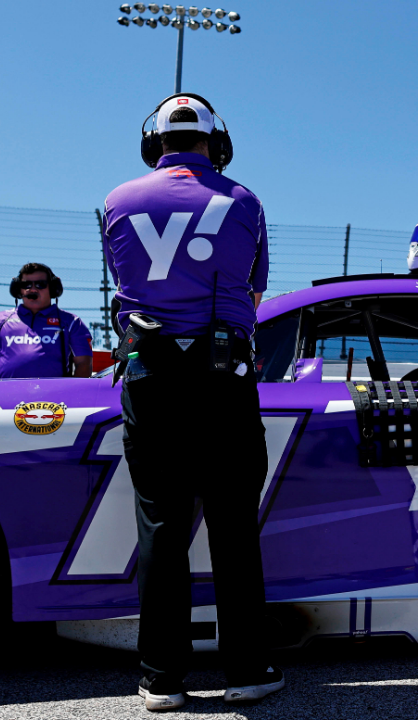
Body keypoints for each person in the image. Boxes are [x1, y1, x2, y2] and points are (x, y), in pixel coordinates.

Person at [102, 93, 282, 711]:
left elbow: (125, 286)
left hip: (149, 375)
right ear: (217, 139)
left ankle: (162, 680)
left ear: (155, 139)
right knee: (233, 524)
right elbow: (253, 294)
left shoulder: (116, 200)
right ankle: (247, 671)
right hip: (223, 372)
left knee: (161, 525)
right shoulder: (245, 200)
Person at [0, 263, 93, 380]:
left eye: (40, 284)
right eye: (26, 285)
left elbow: (84, 364)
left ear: (53, 288)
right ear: (18, 290)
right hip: (4, 397)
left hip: (53, 400)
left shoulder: (72, 322)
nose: (32, 289)